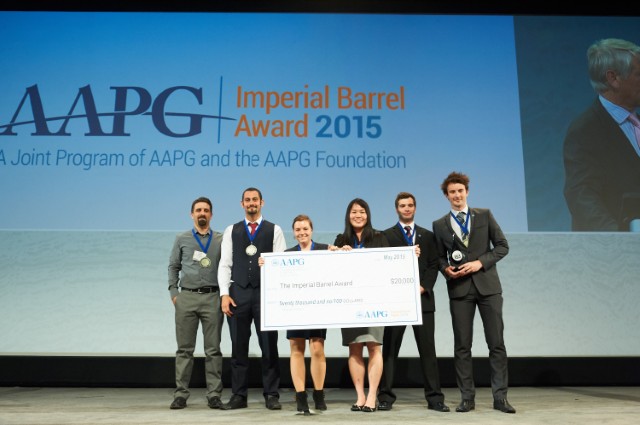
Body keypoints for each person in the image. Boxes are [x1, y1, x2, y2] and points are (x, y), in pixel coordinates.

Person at [432, 172, 515, 414]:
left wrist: (480, 263)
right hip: (460, 290)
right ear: (446, 196)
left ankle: (500, 398)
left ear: (467, 192)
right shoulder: (439, 224)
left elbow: (502, 246)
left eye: (460, 191)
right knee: (462, 346)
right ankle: (467, 398)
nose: (457, 195)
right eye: (452, 192)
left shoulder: (484, 215)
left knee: (496, 343)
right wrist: (446, 270)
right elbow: (439, 258)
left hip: (488, 288)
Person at [377, 192, 449, 412]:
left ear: (415, 208)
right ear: (396, 209)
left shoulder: (427, 235)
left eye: (410, 205)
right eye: (402, 205)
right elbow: (382, 265)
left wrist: (423, 286)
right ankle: (385, 397)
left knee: (428, 351)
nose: (406, 208)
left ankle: (435, 398)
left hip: (422, 300)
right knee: (390, 351)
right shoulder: (386, 236)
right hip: (396, 302)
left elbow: (433, 265)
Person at [218, 187, 287, 410]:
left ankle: (272, 394)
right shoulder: (231, 230)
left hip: (265, 295)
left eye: (255, 199)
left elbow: (281, 265)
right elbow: (225, 264)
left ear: (262, 202)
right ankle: (238, 395)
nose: (251, 203)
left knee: (269, 346)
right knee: (238, 347)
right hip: (238, 294)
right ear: (242, 204)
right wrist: (224, 294)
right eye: (247, 200)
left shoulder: (275, 230)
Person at [563, 38, 640, 231]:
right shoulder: (585, 131)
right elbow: (582, 196)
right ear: (613, 78)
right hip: (619, 246)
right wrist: (617, 240)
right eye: (638, 74)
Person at [167, 196, 224, 410]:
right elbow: (173, 266)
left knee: (213, 350)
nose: (202, 213)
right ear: (192, 214)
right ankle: (181, 394)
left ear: (211, 214)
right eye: (198, 210)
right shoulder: (181, 238)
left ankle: (214, 395)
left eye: (206, 210)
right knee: (184, 350)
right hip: (187, 298)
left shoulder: (220, 239)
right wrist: (175, 293)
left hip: (212, 298)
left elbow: (227, 266)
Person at [333, 198, 389, 413]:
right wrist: (338, 253)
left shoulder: (379, 237)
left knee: (374, 346)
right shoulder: (341, 239)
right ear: (348, 215)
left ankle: (372, 395)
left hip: (374, 300)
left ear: (368, 215)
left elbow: (389, 264)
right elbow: (332, 269)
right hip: (349, 302)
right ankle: (360, 396)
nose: (358, 215)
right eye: (354, 212)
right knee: (354, 347)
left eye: (362, 211)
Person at [280, 214, 335, 414]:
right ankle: (301, 396)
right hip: (295, 308)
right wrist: (265, 264)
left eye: (305, 229)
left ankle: (319, 394)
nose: (302, 232)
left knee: (317, 349)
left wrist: (341, 252)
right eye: (298, 229)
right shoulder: (286, 254)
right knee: (296, 349)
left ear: (311, 230)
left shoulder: (325, 250)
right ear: (293, 232)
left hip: (318, 308)